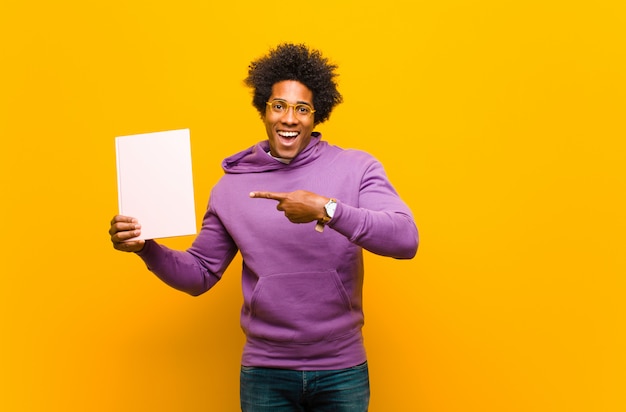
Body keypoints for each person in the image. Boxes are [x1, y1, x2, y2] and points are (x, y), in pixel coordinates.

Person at [109, 43, 418, 412]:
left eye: (302, 108)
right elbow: (200, 275)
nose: (289, 118)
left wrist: (327, 209)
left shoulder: (358, 167)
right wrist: (146, 248)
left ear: (316, 116)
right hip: (264, 371)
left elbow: (405, 239)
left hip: (342, 368)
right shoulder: (230, 187)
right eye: (279, 106)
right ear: (264, 110)